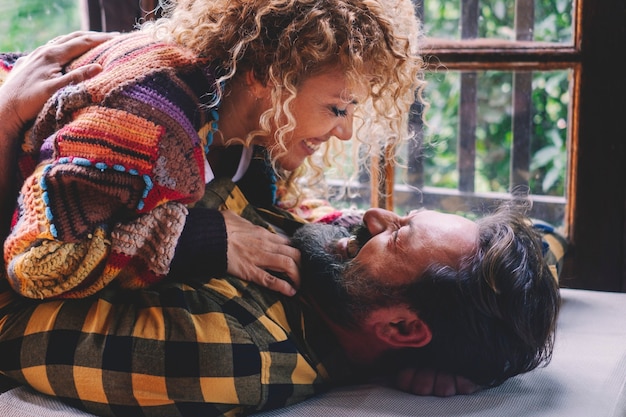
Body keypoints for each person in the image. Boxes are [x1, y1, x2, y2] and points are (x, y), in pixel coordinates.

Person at [3, 0, 424, 300]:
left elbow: (275, 211)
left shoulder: (249, 132)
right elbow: (37, 263)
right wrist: (194, 237)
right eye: (337, 108)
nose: (345, 133)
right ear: (267, 75)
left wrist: (361, 231)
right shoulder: (154, 112)